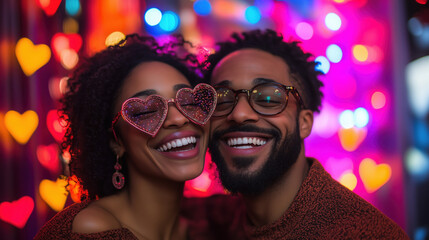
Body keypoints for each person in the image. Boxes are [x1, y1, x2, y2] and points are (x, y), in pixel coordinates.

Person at [181, 29, 409, 239]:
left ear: (304, 122)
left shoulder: (366, 234)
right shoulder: (208, 221)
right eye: (222, 99)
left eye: (268, 98)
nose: (239, 113)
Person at [34, 34, 217, 239]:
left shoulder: (211, 223)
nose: (178, 118)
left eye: (189, 102)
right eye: (146, 111)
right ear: (116, 141)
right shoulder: (91, 230)